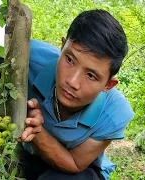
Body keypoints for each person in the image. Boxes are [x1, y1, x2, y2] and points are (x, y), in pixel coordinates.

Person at [17, 10, 134, 180]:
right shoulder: (25, 57)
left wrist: (35, 131)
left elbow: (75, 164)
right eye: (70, 60)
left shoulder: (115, 114)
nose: (72, 81)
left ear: (108, 85)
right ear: (62, 46)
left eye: (91, 75)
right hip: (27, 156)